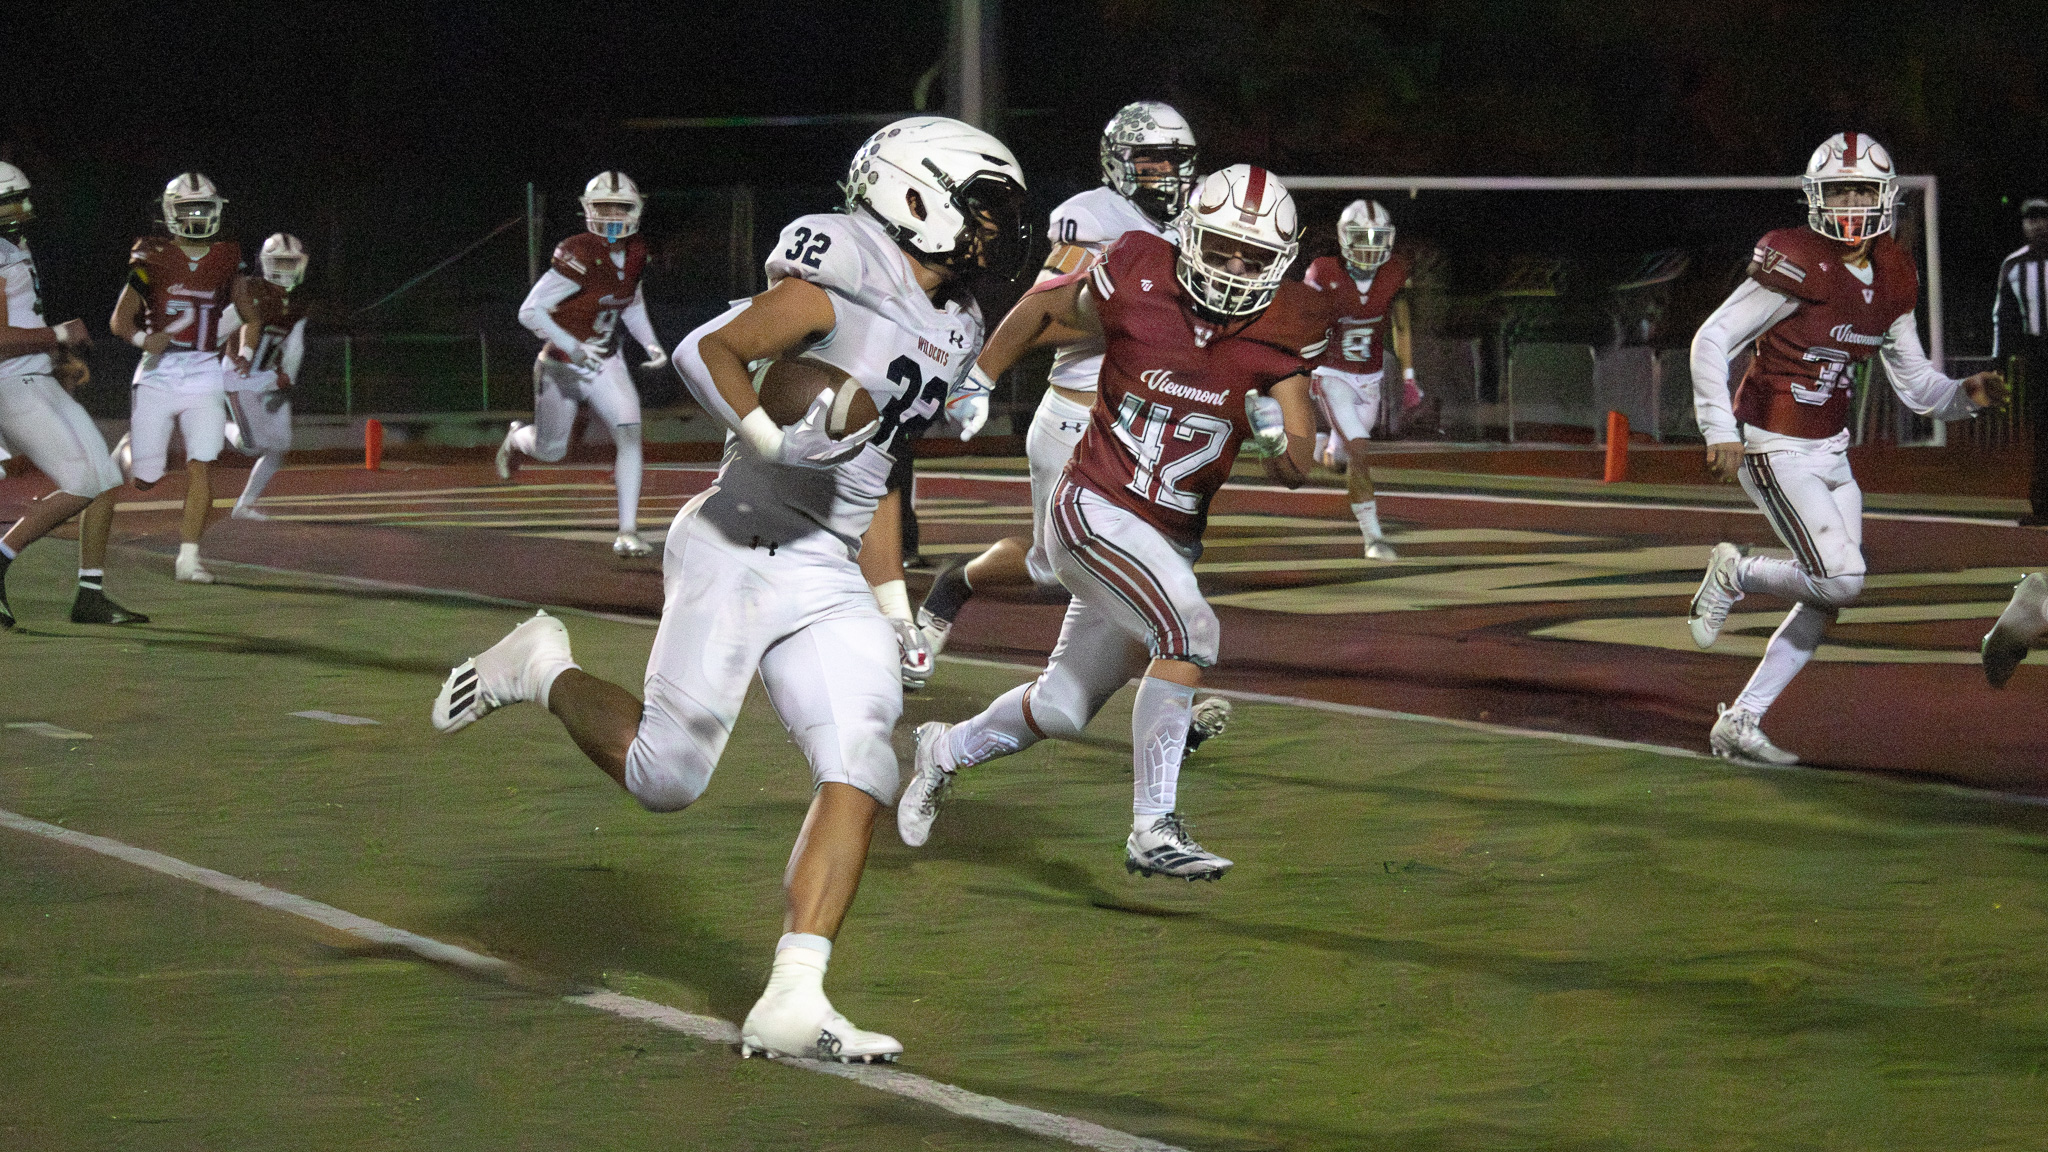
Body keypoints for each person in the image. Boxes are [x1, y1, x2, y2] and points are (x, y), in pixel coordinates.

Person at [429, 116, 1027, 1063]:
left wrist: (891, 604)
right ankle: (539, 666)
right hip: (736, 545)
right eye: (982, 208)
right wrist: (771, 437)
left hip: (829, 570)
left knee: (863, 760)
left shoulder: (958, 322)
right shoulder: (847, 266)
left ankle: (794, 995)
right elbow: (708, 349)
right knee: (665, 778)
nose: (996, 230)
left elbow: (880, 466)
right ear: (914, 196)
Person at [897, 165, 1327, 881]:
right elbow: (1044, 308)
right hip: (1094, 507)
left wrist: (1278, 439)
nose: (1232, 270)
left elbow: (1298, 466)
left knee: (1062, 707)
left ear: (1279, 263)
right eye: (1220, 249)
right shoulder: (1137, 269)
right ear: (1189, 236)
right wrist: (979, 377)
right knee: (1191, 631)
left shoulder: (1289, 323)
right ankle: (1152, 827)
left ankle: (942, 750)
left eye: (1252, 258)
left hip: (1167, 541)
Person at [1686, 133, 2006, 763]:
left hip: (1831, 448)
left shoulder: (1893, 273)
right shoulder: (1798, 260)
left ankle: (1741, 719)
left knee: (1825, 597)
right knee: (1841, 578)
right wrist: (1718, 427)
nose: (1852, 203)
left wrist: (1964, 396)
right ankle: (1736, 572)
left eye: (1862, 190)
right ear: (1818, 198)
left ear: (1884, 196)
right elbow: (1712, 339)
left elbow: (1916, 387)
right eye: (1840, 191)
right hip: (1774, 442)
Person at [914, 101, 1199, 656]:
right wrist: (1130, 318)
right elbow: (1042, 314)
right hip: (1080, 416)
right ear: (1119, 163)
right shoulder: (1095, 217)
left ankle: (1165, 671)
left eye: (1174, 159)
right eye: (1151, 160)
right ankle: (956, 583)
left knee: (1164, 547)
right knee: (1053, 568)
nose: (1165, 172)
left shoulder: (1193, 222)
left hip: (1152, 417)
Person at [0, 161, 143, 627]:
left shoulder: (13, 246)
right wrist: (59, 334)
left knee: (104, 477)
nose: (23, 207)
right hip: (12, 384)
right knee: (83, 482)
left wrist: (55, 354)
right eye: (11, 200)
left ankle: (90, 594)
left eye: (23, 197)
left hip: (33, 376)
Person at [495, 171, 666, 557]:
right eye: (603, 207)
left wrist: (650, 342)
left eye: (620, 207)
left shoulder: (637, 251)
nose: (612, 216)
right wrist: (572, 347)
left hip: (606, 360)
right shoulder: (579, 252)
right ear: (589, 209)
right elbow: (529, 311)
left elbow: (631, 301)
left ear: (635, 209)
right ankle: (516, 438)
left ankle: (627, 531)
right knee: (551, 450)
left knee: (629, 433)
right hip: (562, 366)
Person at [108, 172, 256, 585]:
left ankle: (188, 559)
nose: (195, 217)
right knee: (145, 478)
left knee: (201, 465)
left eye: (202, 208)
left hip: (204, 369)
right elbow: (119, 320)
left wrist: (245, 351)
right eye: (187, 209)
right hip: (159, 370)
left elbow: (249, 314)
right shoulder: (151, 256)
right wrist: (143, 339)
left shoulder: (227, 258)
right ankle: (125, 452)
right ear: (170, 213)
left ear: (216, 211)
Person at [1304, 198, 1418, 560]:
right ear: (1344, 237)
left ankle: (1323, 444)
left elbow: (1402, 326)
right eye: (1361, 237)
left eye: (1376, 238)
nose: (1369, 246)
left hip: (1370, 379)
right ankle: (1373, 539)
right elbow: (1304, 322)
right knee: (1360, 450)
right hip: (1332, 374)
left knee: (1338, 462)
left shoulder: (1394, 273)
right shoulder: (1323, 271)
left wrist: (1409, 377)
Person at [222, 234, 309, 519]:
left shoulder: (296, 304)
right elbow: (221, 328)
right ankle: (219, 425)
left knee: (279, 446)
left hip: (270, 377)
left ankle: (244, 505)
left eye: (291, 262)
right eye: (280, 262)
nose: (286, 269)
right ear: (267, 263)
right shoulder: (251, 292)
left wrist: (288, 377)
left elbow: (294, 346)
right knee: (252, 446)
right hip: (240, 376)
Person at [1994, 198, 2048, 525]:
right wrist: (1998, 361)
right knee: (2041, 431)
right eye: (2031, 219)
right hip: (2037, 353)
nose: (2037, 225)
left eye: (2042, 218)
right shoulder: (2014, 264)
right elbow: (2003, 316)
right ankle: (2041, 505)